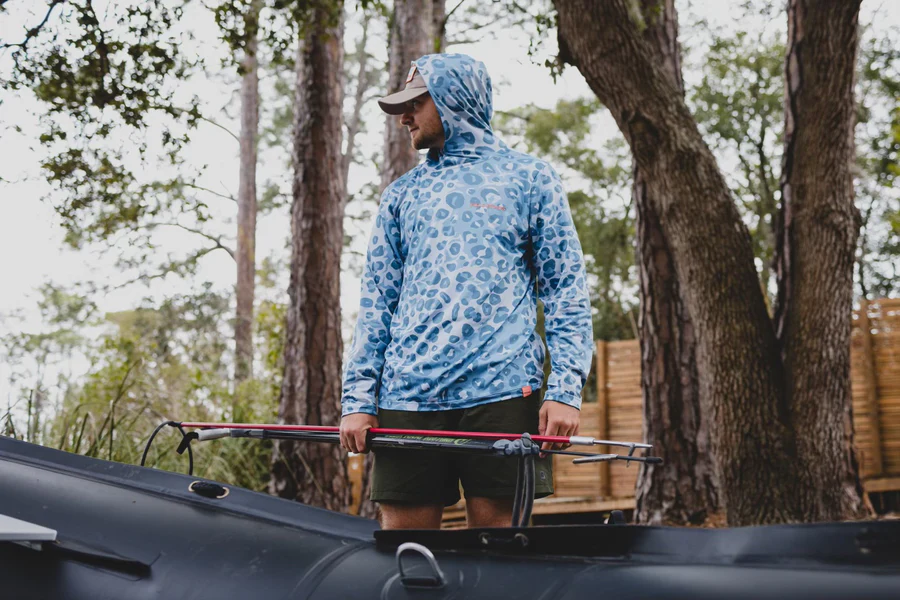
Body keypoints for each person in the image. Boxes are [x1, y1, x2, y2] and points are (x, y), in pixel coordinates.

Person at [340, 53, 593, 530]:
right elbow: (377, 303)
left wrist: (565, 390)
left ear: (453, 99)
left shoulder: (530, 178)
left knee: (501, 567)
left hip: (501, 396)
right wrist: (357, 398)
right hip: (406, 399)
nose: (404, 116)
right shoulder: (400, 195)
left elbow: (565, 291)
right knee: (406, 562)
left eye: (416, 102)